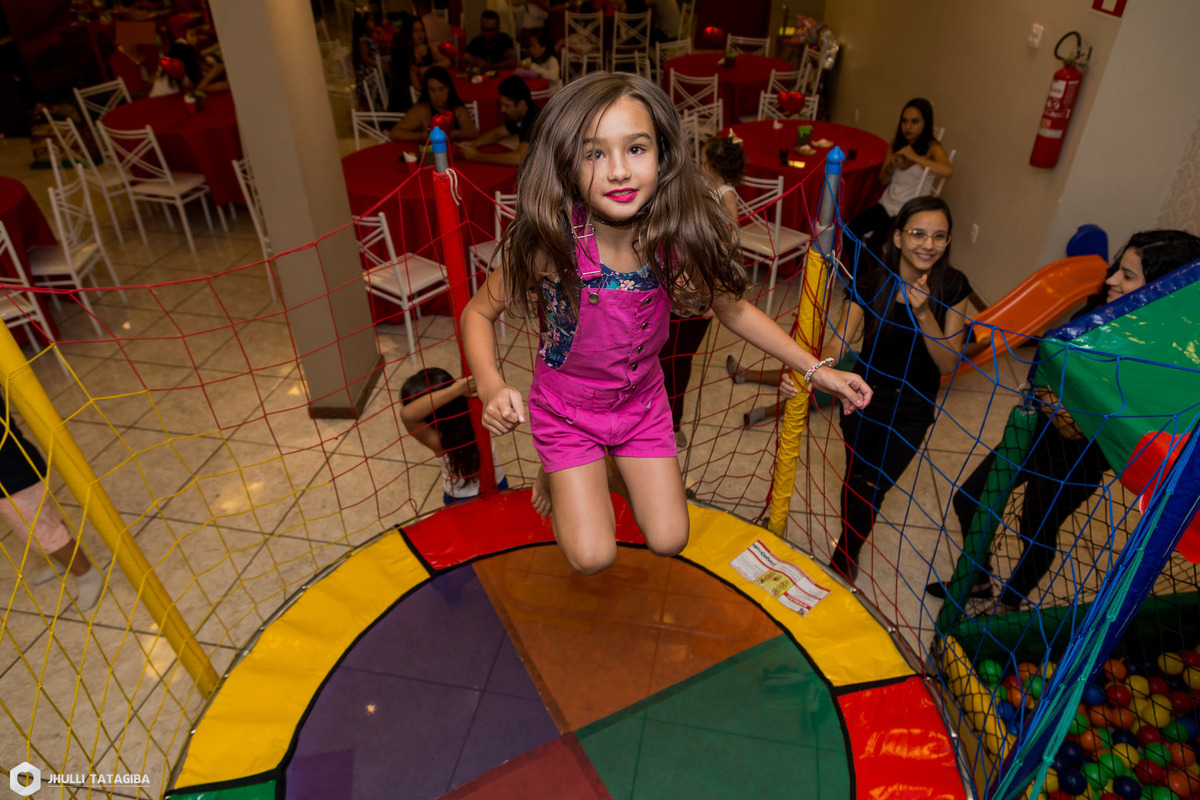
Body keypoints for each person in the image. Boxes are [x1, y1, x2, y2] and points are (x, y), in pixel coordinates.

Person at [461, 72, 871, 575]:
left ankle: (592, 469)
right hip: (568, 409)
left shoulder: (675, 243)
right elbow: (477, 312)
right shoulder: (554, 245)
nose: (618, 171)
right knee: (592, 557)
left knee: (670, 538)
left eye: (636, 149)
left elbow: (735, 310)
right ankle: (561, 470)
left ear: (664, 156)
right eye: (594, 154)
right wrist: (491, 385)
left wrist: (817, 370)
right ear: (567, 164)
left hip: (640, 403)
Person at [932, 229, 1200, 611]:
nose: (1111, 280)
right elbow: (1051, 369)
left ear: (1160, 289)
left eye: (1128, 276)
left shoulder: (1158, 356)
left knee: (1035, 529)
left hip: (1078, 462)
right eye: (1117, 268)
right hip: (1033, 434)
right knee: (970, 499)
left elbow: (1078, 426)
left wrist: (1053, 397)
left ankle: (1008, 605)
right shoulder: (1098, 311)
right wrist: (1052, 396)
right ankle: (978, 580)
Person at [828, 196, 972, 581]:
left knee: (872, 484)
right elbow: (838, 344)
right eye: (918, 233)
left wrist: (923, 312)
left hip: (913, 408)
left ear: (948, 241)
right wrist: (811, 369)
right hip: (863, 398)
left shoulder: (953, 286)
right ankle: (847, 551)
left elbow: (948, 364)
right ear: (897, 237)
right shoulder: (870, 283)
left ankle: (842, 560)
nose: (928, 244)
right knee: (857, 477)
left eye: (939, 236)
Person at [659, 134, 747, 447]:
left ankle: (671, 424)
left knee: (676, 360)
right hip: (682, 291)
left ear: (711, 165)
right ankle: (662, 422)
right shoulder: (705, 190)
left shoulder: (724, 198)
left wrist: (712, 290)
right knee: (667, 359)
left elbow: (726, 245)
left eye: (703, 159)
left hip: (698, 294)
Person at [2, 412, 102, 611]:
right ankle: (65, 561)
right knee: (46, 524)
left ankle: (87, 575)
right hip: (16, 472)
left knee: (43, 532)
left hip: (13, 479)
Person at [847, 99, 953, 261]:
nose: (908, 126)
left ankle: (874, 275)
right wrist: (891, 166)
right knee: (850, 232)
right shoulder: (896, 143)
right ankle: (861, 275)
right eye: (905, 121)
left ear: (925, 123)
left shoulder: (932, 148)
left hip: (907, 210)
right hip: (886, 204)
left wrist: (915, 157)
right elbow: (882, 180)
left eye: (914, 122)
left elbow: (948, 171)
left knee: (874, 244)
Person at [400, 368, 508, 504]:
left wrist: (455, 391)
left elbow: (407, 415)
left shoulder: (437, 440)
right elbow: (407, 414)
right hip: (494, 484)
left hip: (461, 497)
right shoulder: (478, 412)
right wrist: (457, 390)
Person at [457, 76, 540, 165]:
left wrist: (476, 156)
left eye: (507, 106)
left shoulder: (534, 120)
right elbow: (496, 134)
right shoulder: (519, 115)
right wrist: (472, 144)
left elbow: (519, 158)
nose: (502, 109)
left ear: (521, 104)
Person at [389, 66, 480, 142]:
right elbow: (394, 133)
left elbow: (473, 132)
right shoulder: (421, 110)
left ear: (449, 89)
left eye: (441, 89)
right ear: (427, 91)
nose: (437, 94)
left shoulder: (457, 109)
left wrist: (454, 133)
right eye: (432, 90)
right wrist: (420, 136)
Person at [389, 14, 452, 113]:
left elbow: (447, 61)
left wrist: (429, 68)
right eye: (415, 31)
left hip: (425, 93)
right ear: (408, 33)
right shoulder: (405, 52)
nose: (420, 34)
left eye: (421, 30)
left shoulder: (429, 47)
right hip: (407, 100)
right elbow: (416, 87)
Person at [166, 18, 229, 94]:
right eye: (192, 35)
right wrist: (213, 73)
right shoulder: (184, 57)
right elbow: (199, 87)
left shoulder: (204, 60)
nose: (197, 38)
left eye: (195, 34)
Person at [353, 8, 383, 109]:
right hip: (367, 72)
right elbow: (365, 58)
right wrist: (377, 64)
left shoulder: (370, 37)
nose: (373, 23)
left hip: (372, 69)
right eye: (371, 21)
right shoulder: (363, 40)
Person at [519, 28, 562, 95]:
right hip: (539, 92)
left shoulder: (552, 60)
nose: (530, 49)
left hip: (551, 95)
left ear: (543, 48)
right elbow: (522, 62)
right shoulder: (534, 59)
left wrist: (534, 68)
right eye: (530, 46)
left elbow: (554, 76)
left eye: (533, 46)